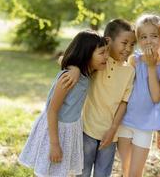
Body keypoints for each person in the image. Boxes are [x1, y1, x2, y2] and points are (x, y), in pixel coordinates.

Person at [18, 30, 109, 177]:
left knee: (60, 171)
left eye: (107, 52)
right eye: (102, 53)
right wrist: (54, 144)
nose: (107, 56)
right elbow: (52, 110)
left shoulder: (86, 73)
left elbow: (62, 59)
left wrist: (76, 68)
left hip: (70, 128)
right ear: (86, 54)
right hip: (55, 129)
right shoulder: (68, 79)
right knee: (48, 170)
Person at [63, 19, 136, 177]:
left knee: (103, 174)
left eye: (132, 44)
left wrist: (113, 129)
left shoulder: (130, 71)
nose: (128, 49)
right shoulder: (99, 60)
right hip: (87, 129)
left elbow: (124, 102)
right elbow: (70, 60)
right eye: (124, 43)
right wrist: (75, 68)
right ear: (109, 41)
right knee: (83, 172)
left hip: (110, 134)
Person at [117, 14, 160, 177]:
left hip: (145, 127)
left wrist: (152, 67)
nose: (148, 41)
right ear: (138, 40)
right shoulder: (134, 61)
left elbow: (157, 98)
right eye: (143, 37)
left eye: (154, 36)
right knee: (125, 170)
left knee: (135, 173)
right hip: (125, 122)